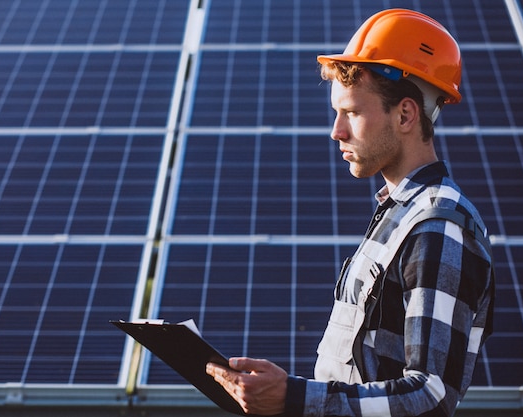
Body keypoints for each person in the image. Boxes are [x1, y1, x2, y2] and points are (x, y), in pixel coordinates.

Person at [206, 8, 495, 417]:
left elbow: (431, 396)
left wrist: (292, 396)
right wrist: (284, 393)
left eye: (353, 113)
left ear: (406, 114)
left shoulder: (440, 228)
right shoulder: (398, 215)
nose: (336, 131)